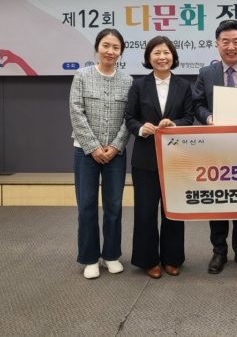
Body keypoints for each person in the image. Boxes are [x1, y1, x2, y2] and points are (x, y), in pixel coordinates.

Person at [193, 20, 237, 275]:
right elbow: (197, 105)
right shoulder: (206, 73)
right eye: (225, 41)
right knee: (219, 200)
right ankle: (219, 251)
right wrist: (208, 118)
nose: (231, 46)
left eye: (236, 41)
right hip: (217, 148)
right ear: (217, 44)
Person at [125, 36, 194, 279]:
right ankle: (149, 260)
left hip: (175, 158)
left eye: (166, 52)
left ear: (173, 56)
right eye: (156, 53)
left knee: (173, 211)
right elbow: (130, 118)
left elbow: (189, 117)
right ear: (148, 57)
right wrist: (141, 128)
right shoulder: (138, 85)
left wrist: (174, 125)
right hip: (145, 159)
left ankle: (172, 259)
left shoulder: (183, 86)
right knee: (145, 213)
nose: (162, 57)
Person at [69, 28, 133, 279]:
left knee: (114, 206)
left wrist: (116, 146)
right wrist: (94, 147)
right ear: (97, 47)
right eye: (106, 45)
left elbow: (129, 118)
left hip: (115, 153)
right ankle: (89, 258)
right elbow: (76, 112)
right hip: (85, 152)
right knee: (86, 206)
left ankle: (111, 255)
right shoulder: (82, 76)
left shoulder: (127, 81)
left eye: (116, 47)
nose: (110, 51)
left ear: (121, 52)